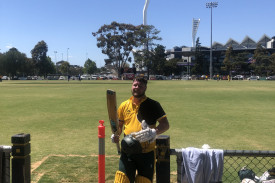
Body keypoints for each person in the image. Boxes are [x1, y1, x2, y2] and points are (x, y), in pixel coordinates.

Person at [112, 77, 169, 183]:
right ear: (132, 86)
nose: (137, 88)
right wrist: (116, 135)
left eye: (140, 86)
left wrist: (154, 132)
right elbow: (119, 126)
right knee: (122, 180)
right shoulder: (124, 105)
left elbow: (165, 125)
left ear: (145, 88)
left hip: (146, 153)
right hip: (127, 150)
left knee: (143, 181)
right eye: (135, 85)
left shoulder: (153, 105)